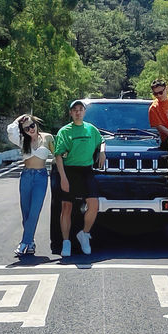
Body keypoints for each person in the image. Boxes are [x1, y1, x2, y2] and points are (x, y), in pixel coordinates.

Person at [54, 99, 105, 256]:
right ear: (70, 113)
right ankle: (66, 242)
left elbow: (101, 140)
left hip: (86, 171)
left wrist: (102, 150)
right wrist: (63, 178)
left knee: (94, 204)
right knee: (66, 207)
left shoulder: (91, 129)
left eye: (80, 109)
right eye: (74, 109)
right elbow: (58, 155)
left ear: (84, 112)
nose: (78, 112)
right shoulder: (64, 131)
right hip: (69, 171)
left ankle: (84, 234)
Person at [6, 114, 54, 256]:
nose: (30, 129)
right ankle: (31, 243)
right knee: (26, 212)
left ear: (36, 124)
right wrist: (18, 119)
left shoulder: (47, 137)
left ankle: (24, 243)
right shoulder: (22, 140)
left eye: (32, 125)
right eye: (26, 128)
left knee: (34, 211)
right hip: (26, 177)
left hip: (41, 177)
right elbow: (10, 130)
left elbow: (58, 153)